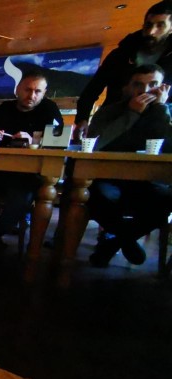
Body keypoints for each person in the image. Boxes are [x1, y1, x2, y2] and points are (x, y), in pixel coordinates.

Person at [0, 70, 63, 252]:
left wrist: (32, 141)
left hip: (30, 175)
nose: (31, 95)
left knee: (21, 198)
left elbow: (58, 144)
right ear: (18, 90)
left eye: (37, 91)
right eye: (27, 90)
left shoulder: (49, 109)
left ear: (44, 93)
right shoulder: (4, 109)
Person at [84, 64, 172, 267]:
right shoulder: (109, 112)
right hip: (108, 178)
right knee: (93, 195)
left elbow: (165, 145)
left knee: (165, 201)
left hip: (149, 182)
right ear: (127, 87)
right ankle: (125, 239)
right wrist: (131, 114)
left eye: (153, 84)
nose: (144, 90)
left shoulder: (164, 112)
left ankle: (114, 243)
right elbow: (96, 144)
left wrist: (160, 108)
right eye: (138, 85)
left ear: (163, 87)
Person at [75, 1, 172, 139]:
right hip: (115, 121)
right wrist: (82, 119)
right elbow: (92, 90)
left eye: (160, 25)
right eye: (148, 25)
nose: (151, 31)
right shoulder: (120, 54)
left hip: (156, 123)